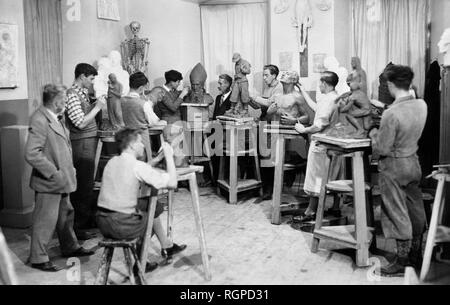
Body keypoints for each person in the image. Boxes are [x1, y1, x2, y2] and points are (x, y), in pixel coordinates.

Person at [25, 84, 95, 272]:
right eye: (64, 100)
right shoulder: (40, 119)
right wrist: (53, 173)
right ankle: (38, 258)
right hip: (50, 181)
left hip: (63, 179)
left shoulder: (56, 117)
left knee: (66, 215)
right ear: (56, 102)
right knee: (45, 220)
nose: (65, 103)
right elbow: (32, 153)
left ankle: (70, 247)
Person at [97, 128, 187, 272]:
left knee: (154, 206)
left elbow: (138, 168)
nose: (143, 145)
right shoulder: (137, 166)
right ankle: (140, 262)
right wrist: (169, 156)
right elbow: (172, 183)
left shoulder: (112, 161)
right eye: (139, 142)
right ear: (132, 145)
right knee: (149, 216)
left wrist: (157, 159)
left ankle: (166, 246)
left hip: (102, 221)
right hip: (120, 225)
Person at [369, 65, 427, 277]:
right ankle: (416, 256)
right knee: (415, 210)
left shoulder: (391, 114)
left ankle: (401, 263)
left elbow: (383, 148)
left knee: (396, 212)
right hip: (413, 162)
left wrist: (374, 133)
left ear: (391, 85)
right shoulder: (421, 105)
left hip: (394, 166)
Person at [66, 63, 105, 240]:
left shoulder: (82, 93)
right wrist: (97, 107)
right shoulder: (71, 95)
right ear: (82, 76)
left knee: (87, 185)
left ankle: (86, 221)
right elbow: (80, 123)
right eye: (90, 79)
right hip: (81, 144)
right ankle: (78, 228)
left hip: (89, 142)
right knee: (82, 186)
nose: (91, 82)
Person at [294, 71, 339, 222]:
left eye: (320, 82)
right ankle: (328, 208)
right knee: (321, 178)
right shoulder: (331, 97)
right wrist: (303, 91)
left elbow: (319, 124)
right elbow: (315, 107)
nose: (319, 85)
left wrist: (304, 130)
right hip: (326, 143)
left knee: (316, 179)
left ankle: (311, 212)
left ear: (325, 84)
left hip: (321, 144)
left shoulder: (329, 100)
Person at [249, 65, 283, 202]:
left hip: (273, 125)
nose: (264, 78)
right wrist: (251, 102)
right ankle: (265, 188)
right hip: (265, 123)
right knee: (263, 156)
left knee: (270, 158)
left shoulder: (279, 87)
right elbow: (264, 106)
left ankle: (270, 190)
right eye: (263, 75)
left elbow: (271, 103)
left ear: (274, 75)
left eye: (266, 75)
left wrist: (254, 97)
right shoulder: (268, 87)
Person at [121, 72, 165, 161]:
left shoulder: (121, 101)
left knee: (128, 162)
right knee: (144, 163)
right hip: (141, 138)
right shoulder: (143, 104)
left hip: (125, 137)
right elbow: (153, 121)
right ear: (141, 88)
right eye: (145, 88)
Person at [154, 70, 190, 167]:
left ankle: (180, 174)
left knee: (180, 153)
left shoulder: (173, 91)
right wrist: (182, 95)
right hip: (170, 124)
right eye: (178, 82)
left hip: (178, 124)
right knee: (172, 153)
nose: (179, 84)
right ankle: (172, 175)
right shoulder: (162, 92)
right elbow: (173, 107)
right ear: (171, 82)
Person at [225, 53, 252, 117]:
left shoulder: (245, 62)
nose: (235, 61)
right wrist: (233, 83)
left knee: (244, 96)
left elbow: (248, 71)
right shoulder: (236, 64)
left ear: (239, 57)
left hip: (243, 81)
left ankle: (245, 109)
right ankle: (232, 108)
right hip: (237, 80)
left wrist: (243, 70)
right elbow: (236, 73)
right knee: (234, 95)